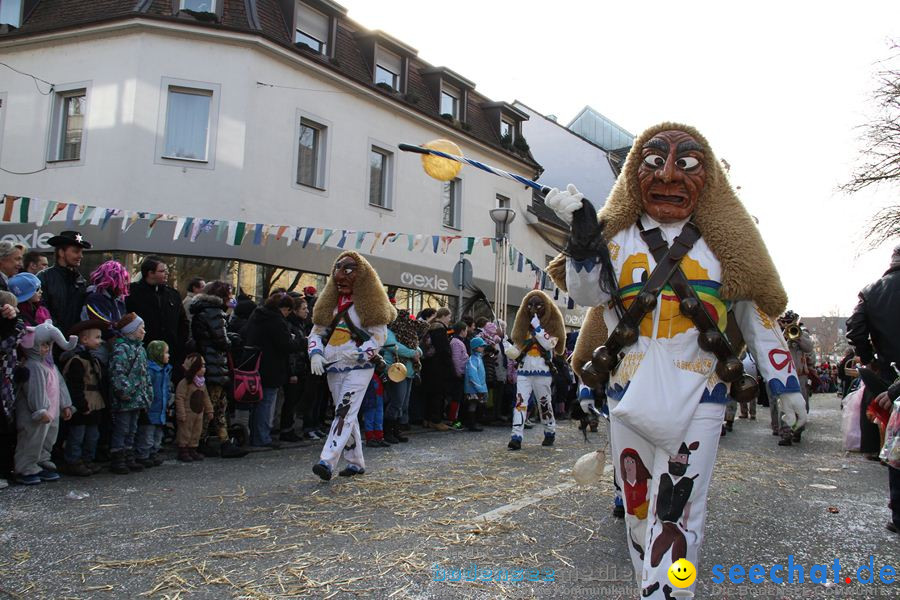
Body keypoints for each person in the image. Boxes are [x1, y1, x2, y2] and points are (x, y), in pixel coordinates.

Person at [546, 123, 806, 598]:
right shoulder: (618, 239)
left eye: (686, 164)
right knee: (639, 507)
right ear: (633, 175)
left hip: (700, 390)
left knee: (681, 510)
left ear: (706, 178)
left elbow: (754, 312)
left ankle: (670, 593)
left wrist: (783, 380)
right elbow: (589, 295)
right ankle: (653, 587)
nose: (668, 174)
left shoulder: (726, 245)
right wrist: (583, 239)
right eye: (653, 162)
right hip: (628, 389)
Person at [309, 251, 395, 480]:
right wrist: (315, 354)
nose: (342, 278)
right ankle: (356, 462)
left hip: (359, 367)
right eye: (339, 272)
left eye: (349, 272)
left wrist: (362, 353)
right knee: (347, 413)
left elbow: (379, 336)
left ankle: (326, 461)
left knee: (344, 411)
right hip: (333, 366)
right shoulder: (330, 306)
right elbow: (316, 333)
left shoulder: (369, 304)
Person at [847, 243, 900, 531]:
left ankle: (898, 514)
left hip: (888, 371)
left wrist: (869, 359)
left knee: (895, 440)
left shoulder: (871, 291)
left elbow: (854, 328)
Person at [14, 321, 77, 484]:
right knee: (31, 439)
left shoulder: (49, 365)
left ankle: (42, 460)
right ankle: (25, 467)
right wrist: (40, 409)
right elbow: (35, 390)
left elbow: (60, 385)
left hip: (52, 411)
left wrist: (65, 404)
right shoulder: (33, 366)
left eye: (49, 345)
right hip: (36, 414)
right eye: (43, 345)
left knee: (48, 438)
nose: (46, 348)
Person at [504, 291, 566, 450]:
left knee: (544, 403)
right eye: (530, 305)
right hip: (524, 371)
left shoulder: (551, 327)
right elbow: (517, 351)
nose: (533, 308)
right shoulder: (524, 328)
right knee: (520, 403)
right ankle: (516, 435)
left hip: (542, 372)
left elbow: (549, 345)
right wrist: (507, 346)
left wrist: (538, 328)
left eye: (538, 305)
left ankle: (550, 431)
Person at [242, 292, 301, 448]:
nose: (288, 314)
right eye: (288, 310)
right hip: (272, 367)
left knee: (257, 403)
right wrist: (301, 342)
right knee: (267, 403)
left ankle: (255, 435)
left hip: (255, 365)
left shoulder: (258, 315)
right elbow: (286, 345)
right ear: (284, 308)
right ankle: (262, 438)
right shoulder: (276, 320)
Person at [60, 320, 109, 477]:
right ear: (84, 339)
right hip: (84, 402)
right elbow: (75, 386)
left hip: (96, 401)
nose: (100, 341)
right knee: (78, 434)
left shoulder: (94, 359)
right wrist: (81, 404)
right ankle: (73, 461)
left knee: (92, 435)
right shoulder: (77, 361)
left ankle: (88, 459)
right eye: (97, 337)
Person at [108, 313, 153, 475]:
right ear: (131, 330)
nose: (143, 332)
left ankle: (128, 455)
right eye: (141, 328)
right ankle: (118, 457)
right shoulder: (121, 349)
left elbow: (144, 374)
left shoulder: (140, 349)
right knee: (122, 428)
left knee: (132, 428)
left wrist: (148, 393)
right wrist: (124, 391)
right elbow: (117, 373)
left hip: (138, 398)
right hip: (126, 398)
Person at [126, 256, 189, 370]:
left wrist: (179, 345)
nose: (166, 274)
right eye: (162, 271)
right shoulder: (132, 293)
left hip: (170, 355)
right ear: (150, 273)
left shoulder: (173, 295)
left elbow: (183, 322)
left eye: (166, 271)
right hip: (142, 353)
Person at [189, 281, 232, 444]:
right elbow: (222, 341)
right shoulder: (215, 313)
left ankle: (221, 440)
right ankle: (200, 440)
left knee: (213, 406)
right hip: (215, 365)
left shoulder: (201, 310)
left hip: (208, 362)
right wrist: (232, 340)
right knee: (214, 407)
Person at [38, 231, 90, 338]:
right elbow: (41, 309)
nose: (81, 256)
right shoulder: (44, 277)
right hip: (50, 340)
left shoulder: (81, 281)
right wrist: (57, 334)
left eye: (81, 252)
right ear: (61, 253)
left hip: (74, 341)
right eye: (76, 251)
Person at [382, 309, 422, 444]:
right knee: (396, 402)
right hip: (396, 372)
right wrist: (412, 353)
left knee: (403, 404)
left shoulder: (407, 334)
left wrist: (416, 352)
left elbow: (417, 347)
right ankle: (388, 432)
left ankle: (396, 431)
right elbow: (393, 346)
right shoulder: (389, 332)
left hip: (408, 373)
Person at [0, 291, 24, 488]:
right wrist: (11, 323)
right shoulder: (12, 328)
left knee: (8, 426)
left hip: (8, 381)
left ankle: (6, 469)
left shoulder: (16, 325)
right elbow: (6, 343)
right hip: (3, 382)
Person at [175, 353, 213, 462]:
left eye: (204, 366)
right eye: (201, 366)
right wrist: (181, 413)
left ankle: (193, 448)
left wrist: (209, 410)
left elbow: (206, 398)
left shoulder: (202, 383)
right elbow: (180, 398)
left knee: (196, 431)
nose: (203, 369)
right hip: (187, 413)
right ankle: (183, 450)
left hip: (199, 413)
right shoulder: (185, 383)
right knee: (185, 431)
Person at [282, 295, 309, 443]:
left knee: (295, 400)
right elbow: (291, 351)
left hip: (301, 368)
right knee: (290, 401)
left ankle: (289, 428)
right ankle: (286, 429)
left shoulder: (300, 325)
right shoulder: (291, 325)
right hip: (294, 370)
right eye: (304, 309)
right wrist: (292, 372)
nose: (307, 311)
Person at [421, 307, 453, 431]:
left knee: (430, 394)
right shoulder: (439, 329)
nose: (450, 320)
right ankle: (436, 420)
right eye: (449, 317)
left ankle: (427, 419)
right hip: (438, 367)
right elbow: (444, 350)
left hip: (429, 366)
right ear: (444, 316)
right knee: (438, 394)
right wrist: (449, 365)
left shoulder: (430, 327)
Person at [142, 341, 171, 467]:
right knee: (147, 434)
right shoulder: (151, 370)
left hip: (161, 408)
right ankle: (144, 454)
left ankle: (153, 452)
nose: (168, 355)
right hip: (152, 407)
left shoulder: (165, 370)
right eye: (166, 352)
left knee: (157, 434)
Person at [463, 337, 489, 431]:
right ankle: (472, 424)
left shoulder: (478, 358)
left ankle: (474, 423)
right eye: (481, 346)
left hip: (476, 387)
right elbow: (472, 375)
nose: (483, 348)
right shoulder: (473, 359)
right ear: (476, 347)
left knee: (476, 405)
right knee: (473, 405)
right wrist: (479, 388)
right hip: (473, 388)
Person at [448, 321, 470, 429]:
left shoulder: (459, 341)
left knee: (458, 397)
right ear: (462, 331)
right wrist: (458, 373)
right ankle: (453, 420)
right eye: (466, 330)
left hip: (461, 372)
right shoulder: (456, 342)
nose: (467, 332)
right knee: (456, 398)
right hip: (458, 374)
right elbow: (456, 359)